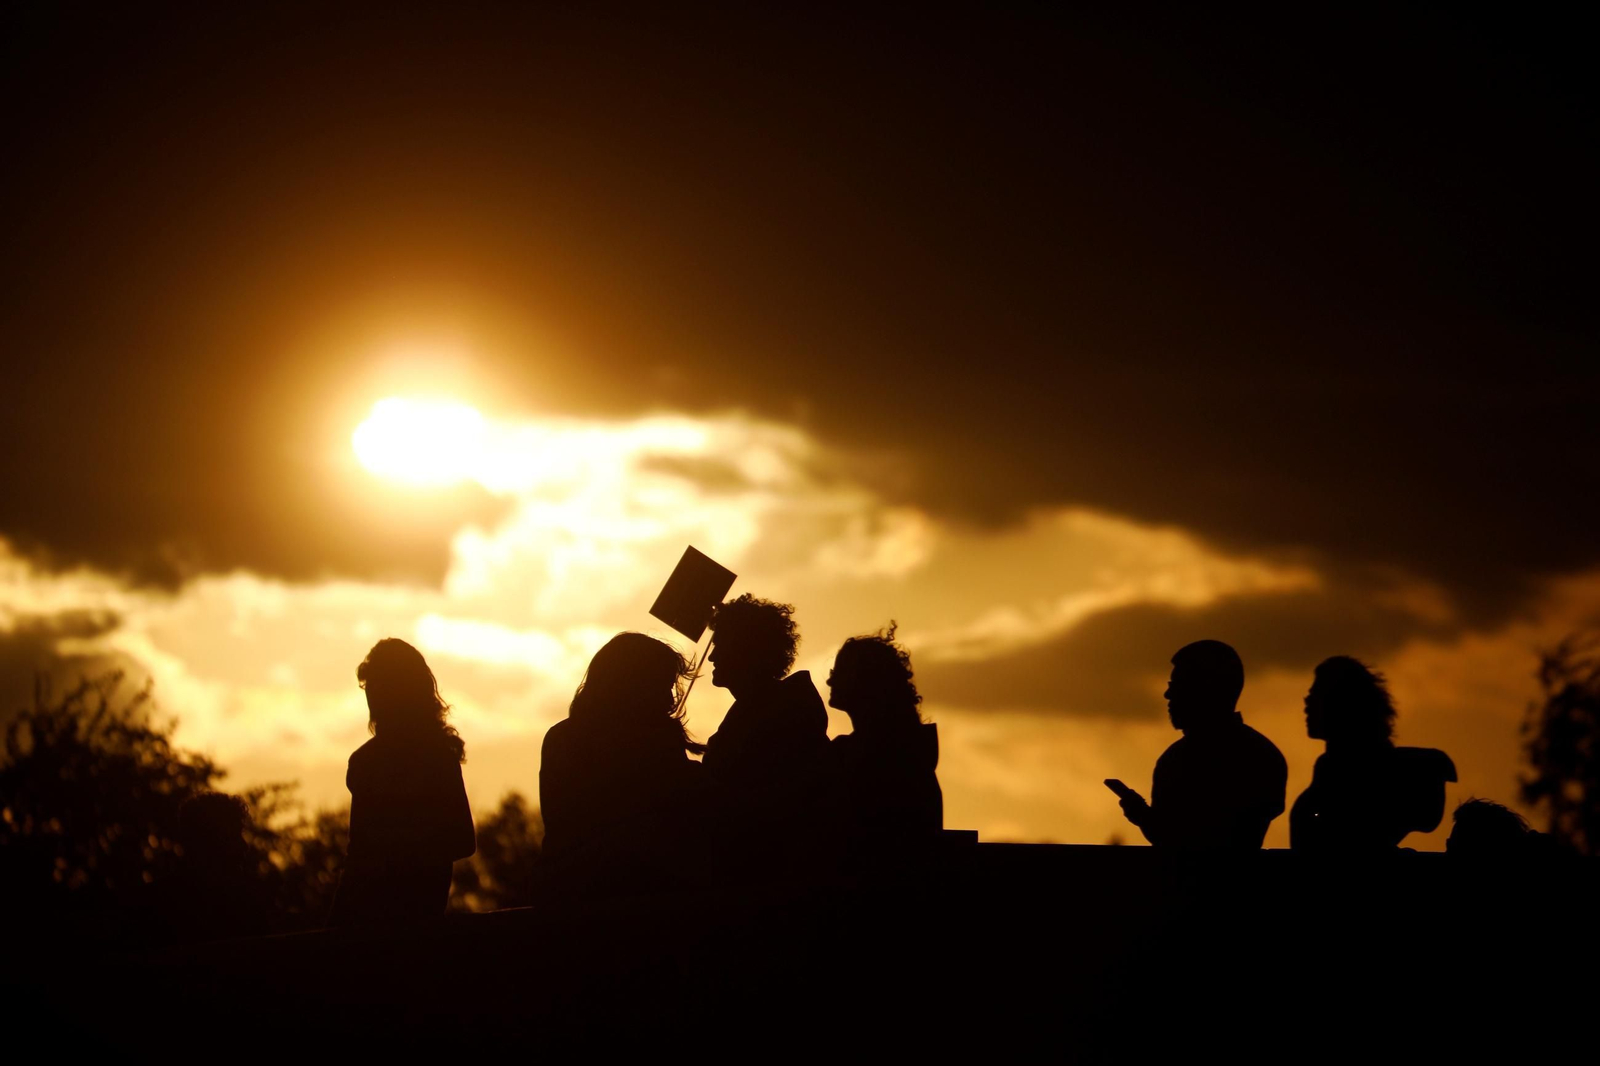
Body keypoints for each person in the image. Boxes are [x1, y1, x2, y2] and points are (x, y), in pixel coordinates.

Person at [330, 638, 475, 926]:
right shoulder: (371, 762)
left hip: (405, 919)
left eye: (377, 686)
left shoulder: (372, 763)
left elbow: (462, 840)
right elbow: (358, 857)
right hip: (401, 918)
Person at [539, 633, 706, 869]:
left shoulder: (562, 737)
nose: (669, 698)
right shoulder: (655, 740)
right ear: (634, 685)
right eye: (663, 686)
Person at [1113, 640, 1287, 849]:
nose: (1167, 695)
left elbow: (1183, 841)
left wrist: (1142, 815)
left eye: (1176, 685)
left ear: (1204, 688)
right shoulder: (1262, 754)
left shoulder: (1178, 759)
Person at [1289, 656, 1456, 852]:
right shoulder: (1327, 771)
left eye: (1316, 693)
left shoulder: (1415, 770)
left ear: (1343, 704)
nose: (1307, 702)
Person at [826, 623, 942, 853]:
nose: (830, 681)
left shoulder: (873, 761)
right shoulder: (911, 755)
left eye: (839, 673)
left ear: (867, 682)